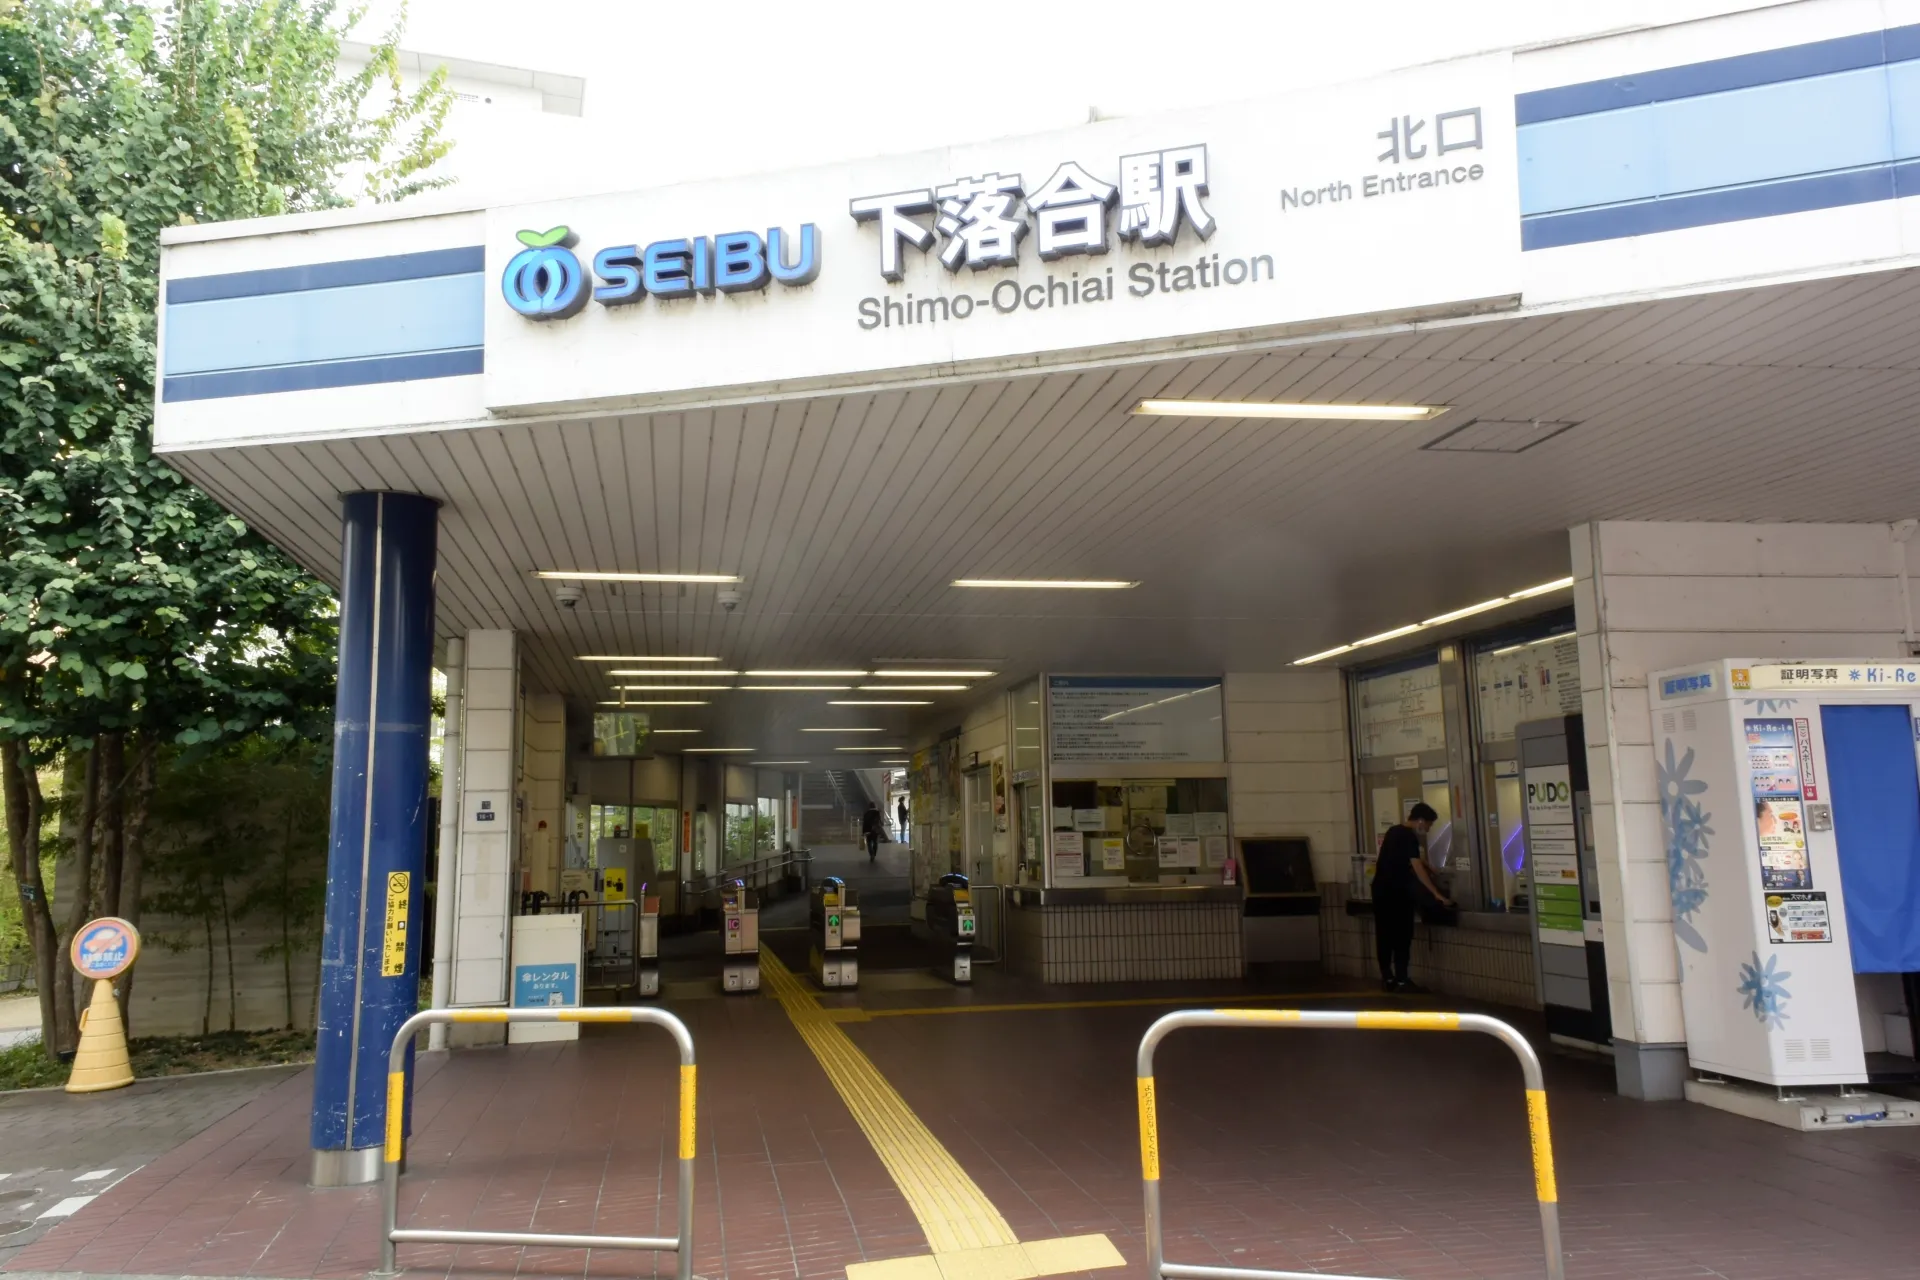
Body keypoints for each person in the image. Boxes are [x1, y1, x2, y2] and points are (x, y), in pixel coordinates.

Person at [1372, 802, 1453, 992]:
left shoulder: (1394, 831)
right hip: (1398, 894)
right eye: (1429, 825)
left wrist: (1428, 865)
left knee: (1384, 935)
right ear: (1420, 821)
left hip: (1381, 891)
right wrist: (1436, 894)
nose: (1428, 829)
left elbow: (1412, 857)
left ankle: (1387, 977)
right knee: (1402, 936)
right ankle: (1402, 978)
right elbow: (1416, 866)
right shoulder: (1409, 837)